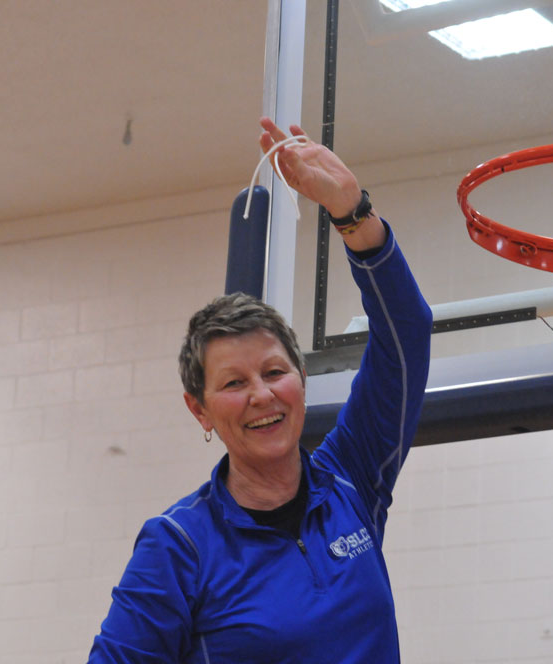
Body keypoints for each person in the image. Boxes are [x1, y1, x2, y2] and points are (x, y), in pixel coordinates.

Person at [87, 117, 432, 663]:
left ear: (300, 379)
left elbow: (405, 335)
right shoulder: (179, 546)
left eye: (274, 373)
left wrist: (353, 213)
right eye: (233, 383)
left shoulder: (351, 481)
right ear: (199, 411)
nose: (262, 395)